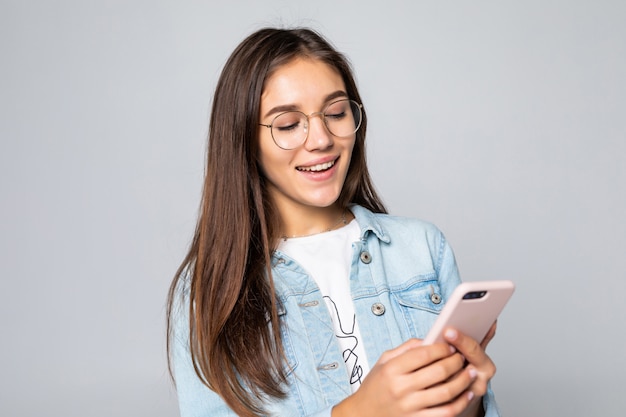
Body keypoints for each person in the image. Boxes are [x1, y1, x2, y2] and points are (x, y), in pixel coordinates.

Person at [167, 27, 500, 417]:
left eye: (336, 113)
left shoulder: (423, 249)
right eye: (289, 124)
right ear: (243, 140)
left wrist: (468, 397)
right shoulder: (206, 290)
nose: (321, 138)